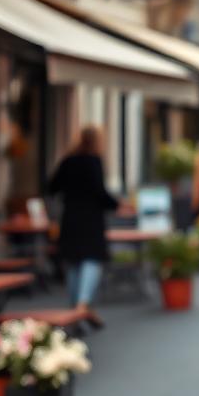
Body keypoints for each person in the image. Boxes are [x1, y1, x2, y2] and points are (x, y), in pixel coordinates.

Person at [47, 125, 120, 328]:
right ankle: (82, 304)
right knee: (91, 260)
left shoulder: (68, 161)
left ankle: (74, 308)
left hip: (70, 218)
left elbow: (52, 187)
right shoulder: (93, 162)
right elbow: (100, 192)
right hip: (90, 220)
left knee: (74, 262)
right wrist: (117, 205)